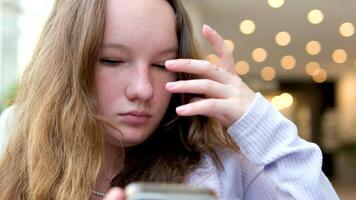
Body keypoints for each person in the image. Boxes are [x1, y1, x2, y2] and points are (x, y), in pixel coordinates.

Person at [0, 0, 339, 199]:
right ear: (67, 64)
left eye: (162, 65)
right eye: (113, 61)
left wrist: (257, 121)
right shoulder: (12, 134)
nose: (143, 89)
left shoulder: (221, 164)